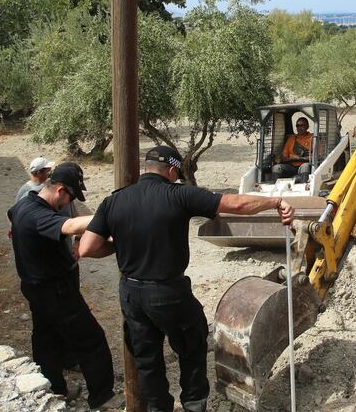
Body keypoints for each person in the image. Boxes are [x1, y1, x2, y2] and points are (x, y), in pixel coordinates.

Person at [79, 146, 294, 412]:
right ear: (171, 170)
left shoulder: (114, 201)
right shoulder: (179, 194)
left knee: (147, 362)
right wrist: (275, 202)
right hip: (169, 292)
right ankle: (193, 406)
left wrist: (120, 245)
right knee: (191, 351)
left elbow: (86, 247)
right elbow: (236, 203)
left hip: (132, 294)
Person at [7, 165, 119, 409]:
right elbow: (69, 226)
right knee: (91, 340)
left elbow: (11, 215)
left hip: (35, 286)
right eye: (71, 196)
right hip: (55, 289)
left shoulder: (25, 204)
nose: (70, 202)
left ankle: (54, 389)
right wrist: (114, 215)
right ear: (60, 190)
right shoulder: (39, 216)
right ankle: (103, 397)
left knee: (46, 338)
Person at [271, 117, 313, 182]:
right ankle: (276, 188)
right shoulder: (292, 138)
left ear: (307, 127)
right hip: (291, 166)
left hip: (305, 165)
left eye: (302, 125)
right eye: (297, 126)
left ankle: (304, 187)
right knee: (276, 168)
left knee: (305, 166)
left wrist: (297, 158)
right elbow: (284, 155)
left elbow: (316, 157)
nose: (299, 127)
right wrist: (284, 159)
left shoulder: (313, 138)